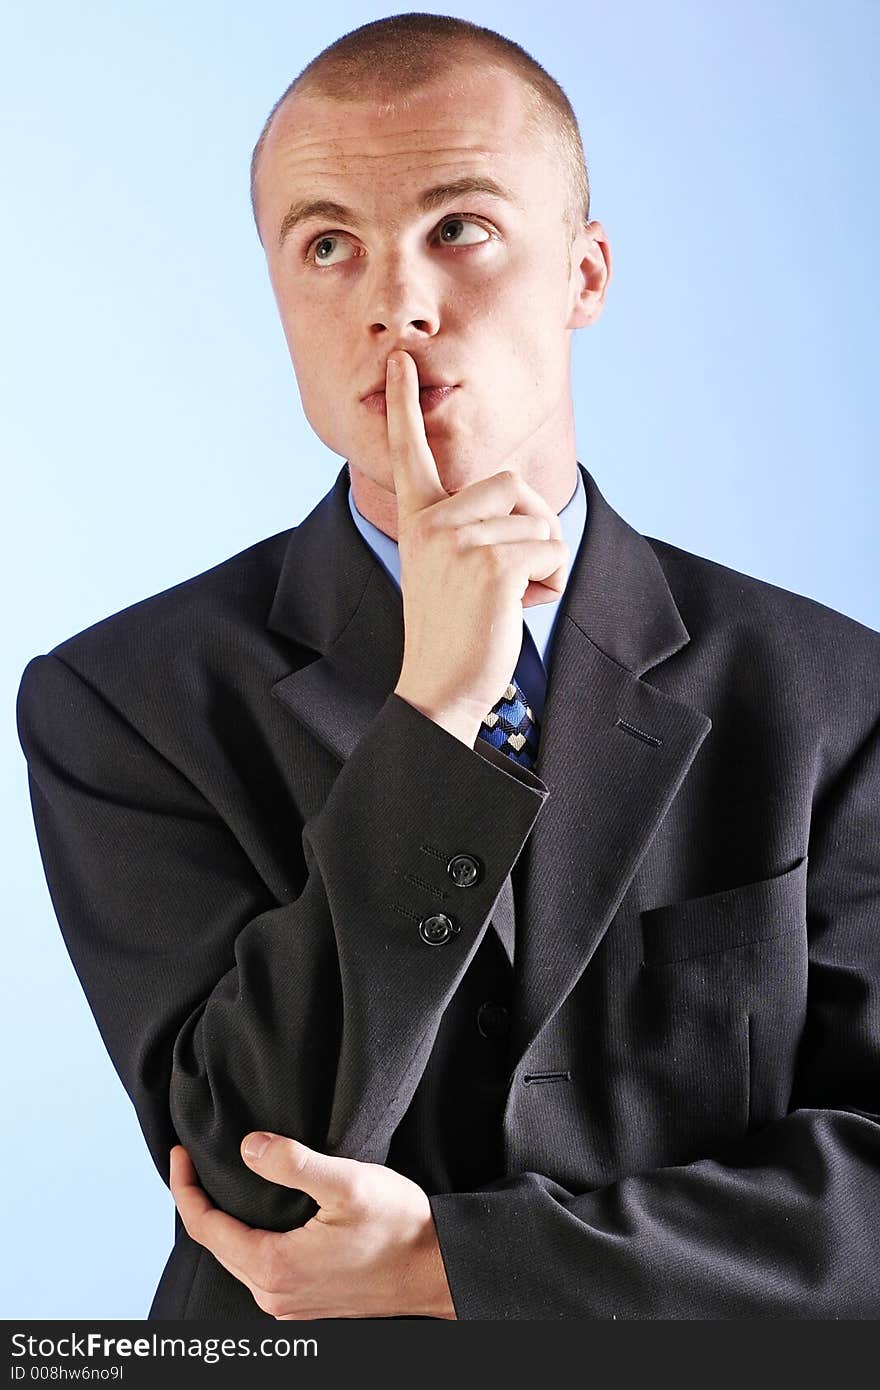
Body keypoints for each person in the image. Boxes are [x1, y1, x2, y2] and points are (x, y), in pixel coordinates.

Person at [16, 12, 880, 1321]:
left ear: (585, 273)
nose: (395, 302)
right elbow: (254, 1183)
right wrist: (438, 709)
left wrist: (453, 1267)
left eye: (460, 228)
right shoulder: (118, 701)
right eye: (326, 246)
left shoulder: (832, 691)